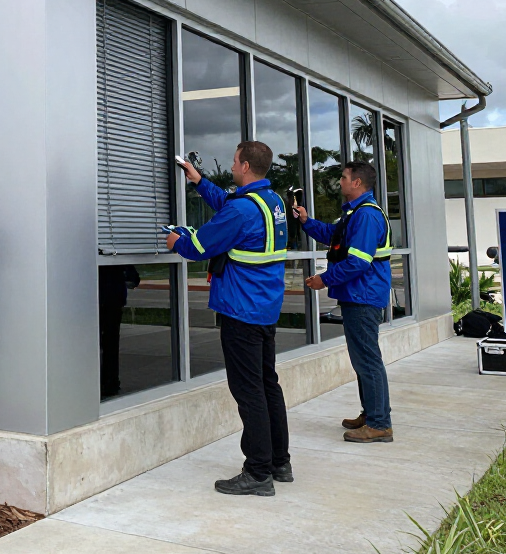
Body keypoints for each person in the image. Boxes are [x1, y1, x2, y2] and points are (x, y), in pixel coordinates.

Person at [167, 140, 292, 497]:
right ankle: (279, 462)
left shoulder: (241, 210)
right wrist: (199, 181)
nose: (233, 166)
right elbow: (230, 207)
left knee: (248, 391)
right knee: (268, 385)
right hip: (264, 309)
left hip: (241, 311)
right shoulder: (271, 202)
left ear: (246, 167)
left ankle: (257, 472)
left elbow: (198, 247)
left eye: (236, 161)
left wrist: (177, 240)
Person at [293, 161, 393, 443]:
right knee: (363, 360)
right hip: (358, 295)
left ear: (357, 183)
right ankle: (372, 413)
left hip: (363, 296)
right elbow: (333, 237)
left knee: (368, 360)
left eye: (343, 178)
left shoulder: (366, 216)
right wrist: (305, 221)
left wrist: (324, 280)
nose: (340, 182)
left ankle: (379, 423)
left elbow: (358, 262)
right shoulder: (355, 213)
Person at [98, 264, 142, 399]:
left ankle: (107, 382)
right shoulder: (113, 254)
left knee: (102, 342)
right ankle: (110, 382)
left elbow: (132, 277)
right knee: (110, 343)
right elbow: (133, 278)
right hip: (112, 299)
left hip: (104, 298)